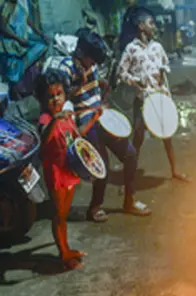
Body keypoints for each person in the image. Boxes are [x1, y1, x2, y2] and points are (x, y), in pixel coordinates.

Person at [48, 30, 151, 222]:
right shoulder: (66, 69)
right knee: (101, 164)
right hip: (86, 122)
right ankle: (95, 206)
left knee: (130, 155)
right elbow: (61, 100)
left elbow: (95, 84)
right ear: (81, 53)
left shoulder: (91, 65)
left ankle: (129, 201)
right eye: (92, 60)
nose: (94, 65)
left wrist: (101, 85)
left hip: (101, 116)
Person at [36, 70, 101, 270]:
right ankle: (63, 254)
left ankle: (66, 248)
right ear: (43, 99)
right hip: (55, 173)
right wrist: (56, 118)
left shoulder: (68, 116)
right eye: (51, 96)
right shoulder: (46, 119)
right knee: (59, 214)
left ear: (65, 95)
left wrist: (93, 119)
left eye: (59, 94)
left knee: (63, 214)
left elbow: (77, 135)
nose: (56, 99)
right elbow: (44, 138)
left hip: (68, 170)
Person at [118, 11, 190, 182]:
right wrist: (136, 81)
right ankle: (130, 174)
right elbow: (121, 73)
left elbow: (165, 66)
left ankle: (175, 170)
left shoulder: (158, 47)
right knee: (138, 137)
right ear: (141, 26)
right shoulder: (131, 49)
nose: (154, 26)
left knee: (167, 135)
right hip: (142, 100)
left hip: (160, 98)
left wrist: (163, 75)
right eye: (151, 23)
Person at [0, 0, 49, 100]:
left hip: (22, 43)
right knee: (15, 75)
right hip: (11, 46)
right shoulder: (7, 6)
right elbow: (3, 26)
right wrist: (18, 39)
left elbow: (27, 20)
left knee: (41, 46)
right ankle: (16, 95)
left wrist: (40, 33)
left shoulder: (19, 6)